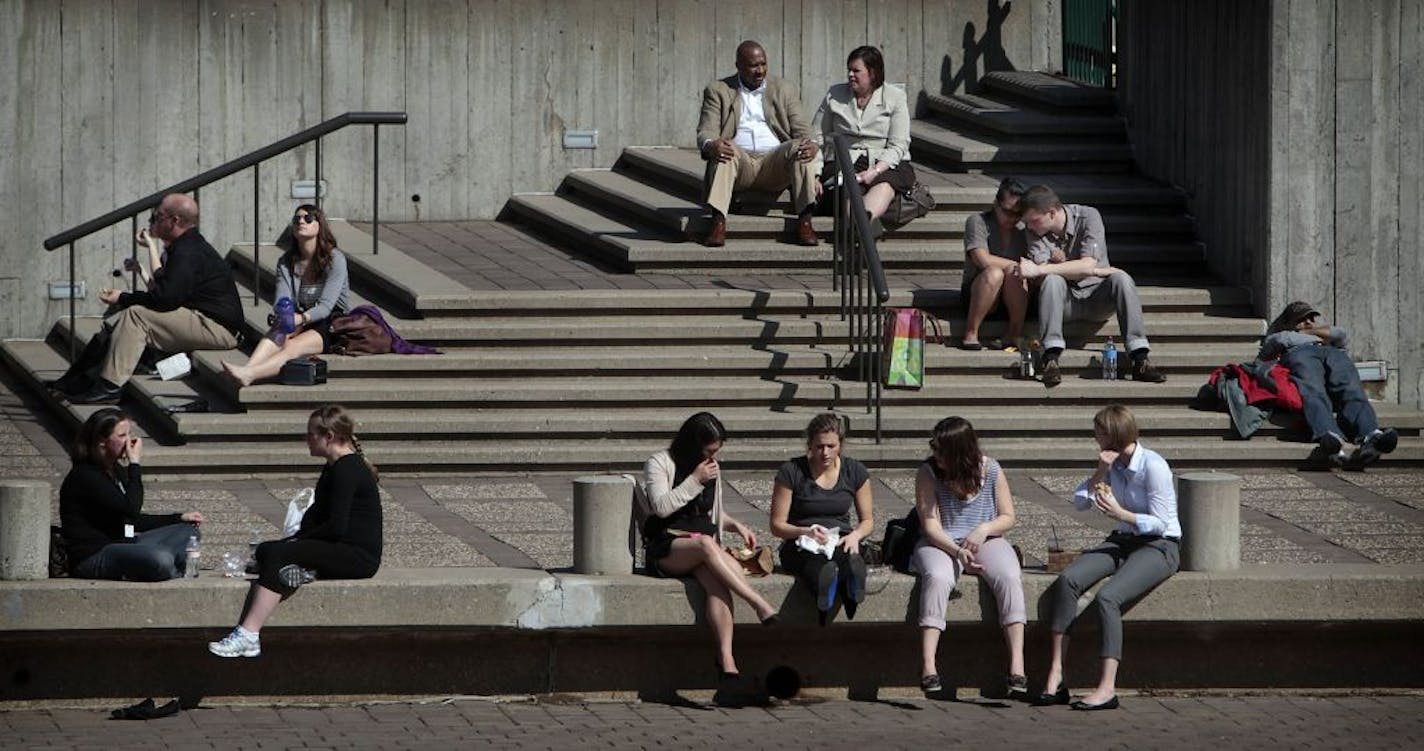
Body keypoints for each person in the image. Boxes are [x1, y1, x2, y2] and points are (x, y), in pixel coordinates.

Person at [208, 405, 382, 658]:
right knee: (267, 550)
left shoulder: (347, 469)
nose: (306, 440)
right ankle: (301, 572)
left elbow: (337, 526)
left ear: (329, 437)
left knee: (280, 555)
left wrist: (296, 543)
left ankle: (248, 634)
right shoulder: (334, 466)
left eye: (311, 434)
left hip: (357, 557)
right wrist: (294, 540)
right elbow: (318, 515)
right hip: (340, 547)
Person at [1035, 405, 1179, 711]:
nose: (1095, 437)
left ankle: (1106, 687)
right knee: (1068, 579)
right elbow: (1080, 504)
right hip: (1123, 540)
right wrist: (1100, 471)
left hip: (1160, 545)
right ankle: (1056, 675)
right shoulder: (1112, 464)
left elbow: (1162, 523)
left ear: (1113, 434)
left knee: (1108, 597)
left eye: (1098, 432)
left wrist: (1121, 513)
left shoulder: (1153, 466)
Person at [56, 193, 244, 403]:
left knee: (136, 315)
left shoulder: (188, 252)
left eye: (157, 216)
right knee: (114, 323)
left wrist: (124, 297)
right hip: (200, 318)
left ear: (175, 221)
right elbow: (164, 291)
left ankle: (109, 388)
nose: (152, 221)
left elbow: (164, 299)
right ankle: (75, 380)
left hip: (217, 328)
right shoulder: (183, 247)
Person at [639, 413, 779, 682]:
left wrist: (735, 525)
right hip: (669, 546)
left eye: (717, 451)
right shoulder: (660, 462)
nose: (713, 457)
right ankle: (758, 603)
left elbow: (709, 513)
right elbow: (662, 507)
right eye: (709, 450)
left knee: (717, 586)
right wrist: (694, 479)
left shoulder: (711, 467)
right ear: (693, 445)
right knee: (704, 544)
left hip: (703, 549)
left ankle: (728, 664)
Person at [911, 417, 1026, 698]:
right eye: (934, 448)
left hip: (984, 539)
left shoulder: (992, 469)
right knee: (937, 577)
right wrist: (957, 551)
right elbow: (930, 525)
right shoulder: (927, 473)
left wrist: (983, 529)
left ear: (959, 451)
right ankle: (928, 664)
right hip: (941, 542)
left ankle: (1017, 665)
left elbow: (1008, 516)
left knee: (1009, 576)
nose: (936, 455)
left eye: (941, 450)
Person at [1012, 185, 1165, 387]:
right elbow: (1052, 270)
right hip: (1063, 301)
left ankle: (1140, 358)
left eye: (1034, 221)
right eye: (1027, 222)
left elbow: (1083, 265)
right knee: (1052, 280)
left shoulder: (1088, 216)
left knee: (1122, 278)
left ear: (1051, 212)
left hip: (1097, 298)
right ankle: (1050, 358)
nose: (1030, 227)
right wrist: (1086, 269)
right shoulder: (1033, 232)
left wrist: (1075, 269)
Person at [697, 40, 820, 247]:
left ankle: (805, 221)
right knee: (724, 149)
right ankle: (718, 222)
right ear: (739, 66)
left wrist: (813, 145)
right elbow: (706, 131)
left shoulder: (784, 89)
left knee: (801, 147)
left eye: (763, 64)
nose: (760, 70)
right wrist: (711, 145)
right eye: (754, 65)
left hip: (773, 163)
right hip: (740, 163)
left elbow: (803, 128)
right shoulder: (718, 90)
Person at [59, 408, 205, 581]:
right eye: (122, 436)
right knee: (160, 558)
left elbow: (131, 520)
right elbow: (131, 509)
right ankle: (169, 567)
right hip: (95, 555)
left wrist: (179, 518)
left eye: (129, 434)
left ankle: (161, 565)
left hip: (124, 543)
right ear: (101, 441)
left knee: (188, 533)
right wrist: (134, 464)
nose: (130, 441)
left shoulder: (113, 469)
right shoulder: (86, 475)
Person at [1258, 301, 1398, 470]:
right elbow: (1267, 350)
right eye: (1301, 319)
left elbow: (1341, 334)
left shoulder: (1329, 334)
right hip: (1299, 353)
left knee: (1351, 390)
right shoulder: (1285, 336)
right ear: (1289, 323)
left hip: (1333, 353)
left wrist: (1308, 331)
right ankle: (1330, 437)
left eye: (1311, 318)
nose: (1309, 321)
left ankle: (1371, 436)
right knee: (1312, 390)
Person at [222, 204, 350, 387]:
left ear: (319, 225)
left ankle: (250, 374)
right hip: (300, 315)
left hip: (332, 322)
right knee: (279, 330)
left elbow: (326, 306)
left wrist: (301, 319)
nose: (301, 221)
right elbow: (283, 298)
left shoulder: (335, 259)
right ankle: (247, 369)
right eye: (296, 219)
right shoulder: (286, 261)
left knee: (292, 346)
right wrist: (284, 314)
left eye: (308, 218)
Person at [769, 413, 874, 626]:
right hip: (802, 539)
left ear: (840, 445)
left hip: (840, 537)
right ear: (809, 445)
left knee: (844, 554)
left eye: (831, 446)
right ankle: (827, 584)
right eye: (819, 447)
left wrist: (856, 535)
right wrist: (804, 531)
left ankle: (851, 579)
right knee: (813, 561)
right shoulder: (791, 471)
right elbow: (776, 525)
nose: (825, 453)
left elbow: (868, 521)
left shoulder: (855, 471)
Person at [811, 45, 913, 223]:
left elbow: (899, 144)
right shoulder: (835, 94)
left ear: (872, 73)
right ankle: (861, 228)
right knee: (849, 187)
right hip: (844, 158)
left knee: (886, 183)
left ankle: (862, 224)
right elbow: (816, 136)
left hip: (885, 161)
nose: (850, 75)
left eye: (856, 70)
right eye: (848, 70)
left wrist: (875, 170)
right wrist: (814, 173)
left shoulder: (895, 97)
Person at [960, 178, 1028, 350]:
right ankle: (971, 331)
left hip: (1014, 294)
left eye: (1017, 214)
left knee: (1014, 273)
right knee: (995, 272)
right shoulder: (978, 222)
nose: (1012, 219)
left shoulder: (1024, 230)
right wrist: (1017, 265)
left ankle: (1014, 332)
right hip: (981, 290)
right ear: (996, 204)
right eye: (1007, 212)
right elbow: (982, 259)